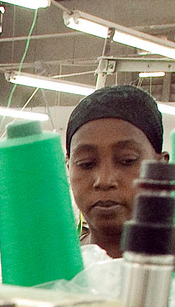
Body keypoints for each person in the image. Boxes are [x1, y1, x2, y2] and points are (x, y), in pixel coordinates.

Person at [66, 85, 166, 258]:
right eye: (86, 163)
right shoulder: (53, 270)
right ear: (69, 168)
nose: (104, 180)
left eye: (127, 161)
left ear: (160, 168)